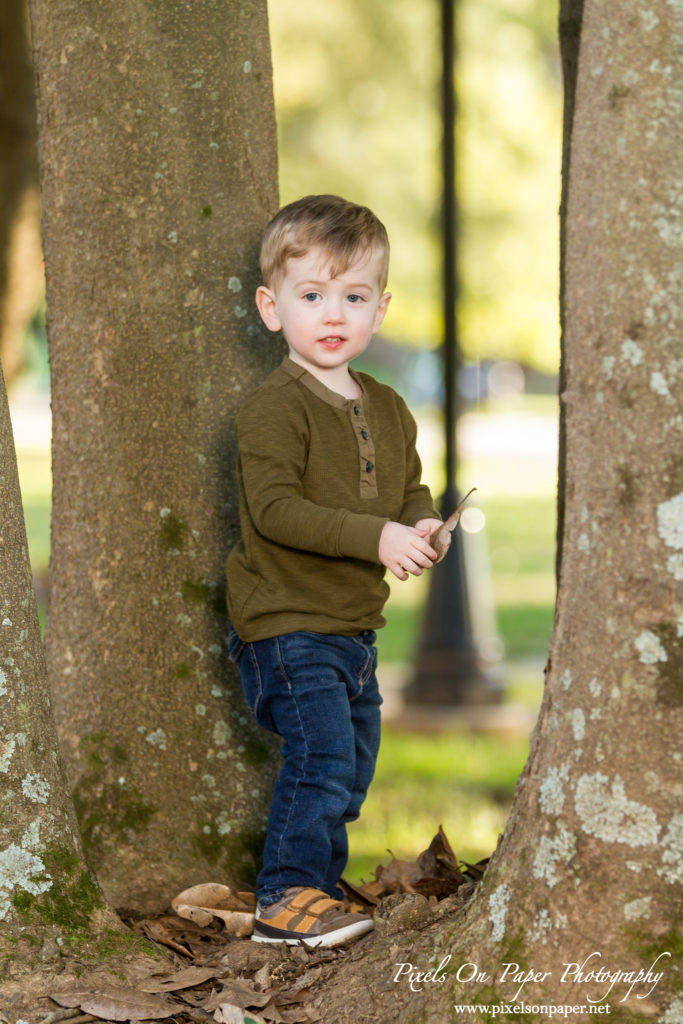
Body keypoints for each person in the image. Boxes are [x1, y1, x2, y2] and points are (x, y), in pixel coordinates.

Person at [226, 194, 444, 947]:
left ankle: (318, 894)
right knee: (318, 760)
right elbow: (276, 511)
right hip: (288, 626)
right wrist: (374, 537)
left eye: (352, 297)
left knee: (348, 775)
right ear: (271, 307)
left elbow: (408, 487)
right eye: (311, 295)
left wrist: (417, 523)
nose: (332, 313)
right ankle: (284, 901)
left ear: (379, 311)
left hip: (354, 629)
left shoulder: (387, 405)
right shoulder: (271, 408)